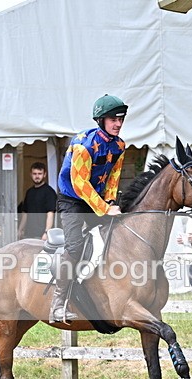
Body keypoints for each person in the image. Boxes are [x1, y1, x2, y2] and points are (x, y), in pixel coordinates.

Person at [51, 94, 127, 323]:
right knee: (74, 247)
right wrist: (104, 209)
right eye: (113, 119)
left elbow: (113, 177)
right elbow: (80, 184)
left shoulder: (120, 146)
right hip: (72, 199)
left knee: (114, 238)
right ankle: (57, 303)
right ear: (101, 120)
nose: (118, 124)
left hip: (97, 200)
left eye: (121, 119)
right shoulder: (83, 146)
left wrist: (110, 201)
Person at [17, 162, 57, 240]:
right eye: (34, 174)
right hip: (28, 234)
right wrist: (20, 229)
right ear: (31, 174)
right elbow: (25, 213)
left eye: (40, 173)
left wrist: (46, 232)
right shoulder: (29, 192)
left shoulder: (49, 192)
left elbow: (50, 213)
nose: (37, 176)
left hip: (42, 235)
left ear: (44, 174)